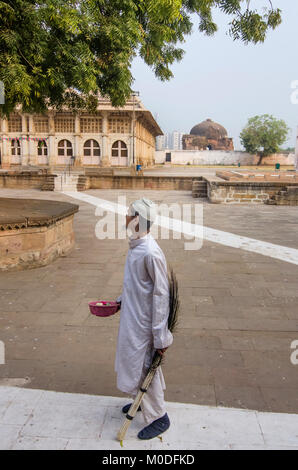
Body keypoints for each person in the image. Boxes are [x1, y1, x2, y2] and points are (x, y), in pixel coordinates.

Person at [115, 197, 173, 440]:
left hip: (145, 324)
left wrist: (160, 336)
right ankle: (139, 401)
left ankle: (159, 416)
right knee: (135, 363)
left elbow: (161, 295)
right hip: (133, 317)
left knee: (147, 367)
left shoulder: (150, 252)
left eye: (129, 215)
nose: (125, 218)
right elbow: (135, 285)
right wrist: (120, 301)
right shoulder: (136, 246)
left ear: (137, 220)